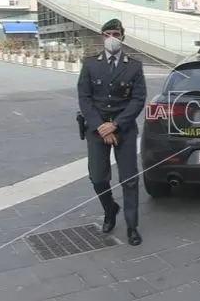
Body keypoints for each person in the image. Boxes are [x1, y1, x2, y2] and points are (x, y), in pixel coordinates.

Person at [77, 18, 147, 246]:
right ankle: (110, 209)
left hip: (123, 129)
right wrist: (101, 126)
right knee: (98, 178)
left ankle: (132, 227)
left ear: (123, 37)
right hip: (97, 129)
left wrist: (115, 124)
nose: (111, 38)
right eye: (107, 34)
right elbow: (84, 98)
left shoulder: (134, 66)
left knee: (129, 179)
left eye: (115, 34)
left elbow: (138, 100)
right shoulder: (90, 64)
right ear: (102, 37)